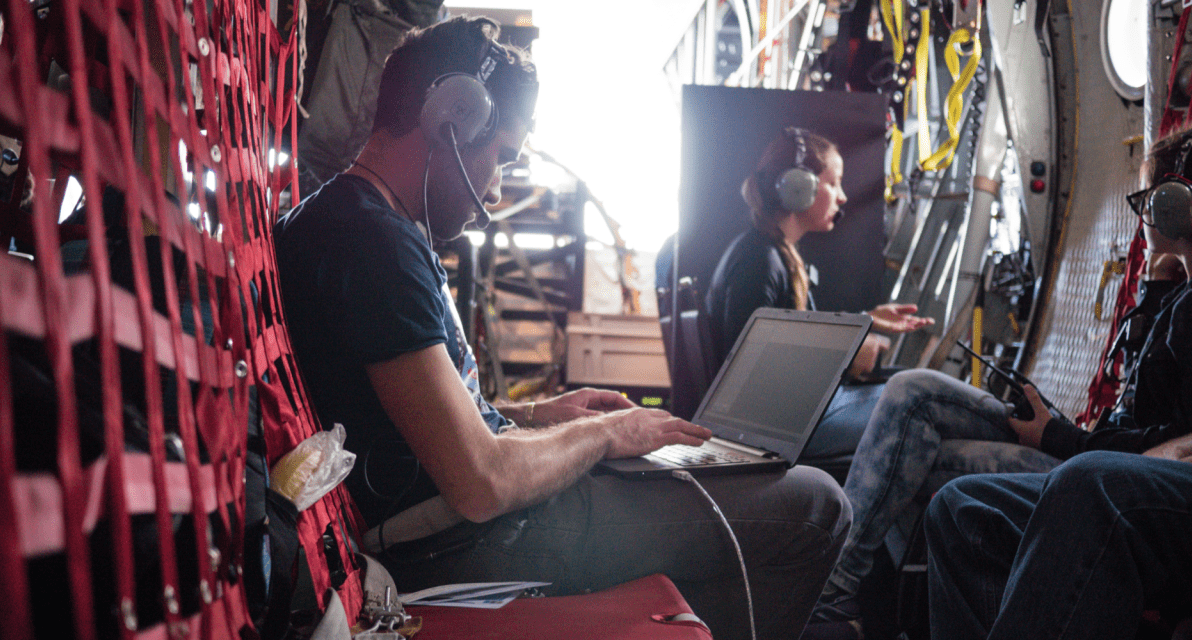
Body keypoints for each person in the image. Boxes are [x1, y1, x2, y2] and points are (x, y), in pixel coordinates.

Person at [274, 17, 851, 640]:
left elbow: (403, 421)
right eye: (502, 158)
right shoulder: (374, 245)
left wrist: (539, 415)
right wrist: (603, 434)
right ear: (452, 122)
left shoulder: (354, 221)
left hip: (464, 521)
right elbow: (481, 483)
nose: (496, 191)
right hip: (469, 541)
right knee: (816, 504)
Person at [808, 125, 1192, 638]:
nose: (1142, 215)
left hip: (1091, 458)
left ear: (1176, 207)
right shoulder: (1174, 299)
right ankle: (835, 594)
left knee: (923, 452)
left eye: (1148, 200)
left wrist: (1057, 436)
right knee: (914, 393)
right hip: (1089, 445)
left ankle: (835, 596)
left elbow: (1171, 444)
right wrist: (1160, 283)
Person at [704, 128, 933, 470]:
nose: (842, 197)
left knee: (913, 387)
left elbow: (787, 342)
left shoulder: (772, 252)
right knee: (918, 403)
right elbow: (752, 376)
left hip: (793, 419)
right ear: (799, 187)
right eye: (834, 183)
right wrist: (844, 358)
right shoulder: (758, 262)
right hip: (781, 429)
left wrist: (866, 319)